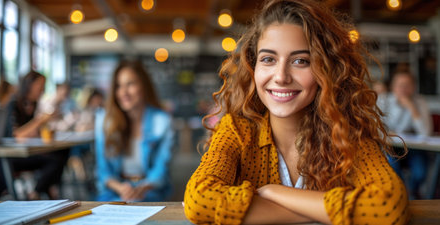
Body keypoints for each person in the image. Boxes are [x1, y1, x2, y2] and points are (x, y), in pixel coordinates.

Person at [184, 0, 409, 224]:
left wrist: (274, 193)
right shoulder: (236, 130)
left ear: (327, 69)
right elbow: (199, 201)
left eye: (301, 61)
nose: (281, 76)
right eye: (268, 59)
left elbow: (387, 207)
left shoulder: (348, 133)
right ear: (253, 67)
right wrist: (315, 210)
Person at [95, 60, 174, 202]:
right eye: (118, 86)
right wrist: (122, 189)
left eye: (130, 84)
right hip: (114, 191)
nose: (123, 92)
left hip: (150, 192)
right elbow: (103, 172)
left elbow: (161, 170)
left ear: (143, 86)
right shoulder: (104, 120)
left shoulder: (162, 121)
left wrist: (140, 189)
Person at [3, 71, 69, 200]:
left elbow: (33, 133)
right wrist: (40, 120)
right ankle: (38, 193)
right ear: (29, 85)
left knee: (62, 152)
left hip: (28, 152)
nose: (42, 90)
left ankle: (44, 189)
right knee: (54, 160)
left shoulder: (34, 104)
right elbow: (17, 135)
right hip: (12, 156)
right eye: (40, 85)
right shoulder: (13, 104)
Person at [378, 70, 433, 199]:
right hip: (389, 146)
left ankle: (410, 192)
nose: (403, 89)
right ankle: (401, 194)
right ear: (393, 86)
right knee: (391, 167)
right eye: (400, 85)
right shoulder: (383, 100)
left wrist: (412, 107)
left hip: (412, 148)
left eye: (407, 85)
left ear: (414, 87)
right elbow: (375, 127)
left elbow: (426, 132)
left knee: (420, 172)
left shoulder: (420, 102)